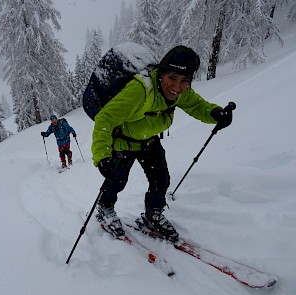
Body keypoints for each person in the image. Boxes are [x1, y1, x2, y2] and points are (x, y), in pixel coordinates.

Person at [92, 46, 233, 241]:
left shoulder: (182, 92)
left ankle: (153, 214)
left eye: (185, 81)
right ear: (161, 73)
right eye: (172, 78)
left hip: (149, 142)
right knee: (117, 180)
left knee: (161, 180)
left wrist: (215, 114)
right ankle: (105, 208)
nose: (177, 87)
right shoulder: (139, 90)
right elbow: (105, 119)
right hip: (124, 143)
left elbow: (197, 106)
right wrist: (102, 156)